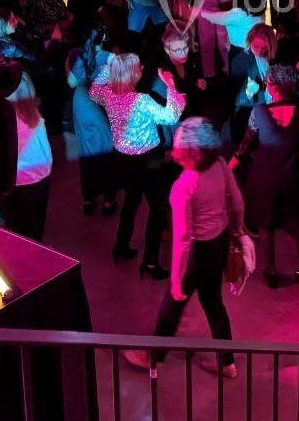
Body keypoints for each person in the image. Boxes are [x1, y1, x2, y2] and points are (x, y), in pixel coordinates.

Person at [123, 118, 245, 379]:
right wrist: (237, 231)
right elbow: (236, 201)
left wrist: (177, 280)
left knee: (172, 305)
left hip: (198, 254)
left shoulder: (183, 187)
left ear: (189, 151)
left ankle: (152, 357)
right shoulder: (220, 164)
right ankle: (227, 363)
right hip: (218, 243)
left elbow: (182, 239)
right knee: (214, 303)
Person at [91, 53, 185, 277]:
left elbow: (93, 88)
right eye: (137, 67)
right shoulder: (141, 101)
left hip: (123, 160)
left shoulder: (107, 94)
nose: (141, 68)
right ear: (131, 74)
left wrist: (109, 66)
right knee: (157, 207)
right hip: (148, 161)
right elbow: (171, 116)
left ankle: (121, 246)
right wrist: (172, 86)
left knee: (131, 201)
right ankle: (150, 263)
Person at [231, 65, 299, 288]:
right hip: (294, 178)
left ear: (276, 87)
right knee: (293, 225)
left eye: (269, 83)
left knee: (266, 227)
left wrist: (227, 170)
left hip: (264, 181)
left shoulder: (259, 112)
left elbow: (243, 148)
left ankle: (270, 270)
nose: (267, 86)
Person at [0, 71, 54, 242]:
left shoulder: (12, 118)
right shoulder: (31, 110)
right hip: (42, 177)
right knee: (36, 223)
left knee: (23, 234)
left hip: (22, 183)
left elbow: (5, 155)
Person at [67, 37, 117, 217]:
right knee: (107, 150)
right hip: (99, 102)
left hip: (81, 102)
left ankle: (89, 198)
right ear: (103, 37)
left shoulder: (76, 54)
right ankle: (108, 199)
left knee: (86, 152)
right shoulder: (109, 56)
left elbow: (71, 83)